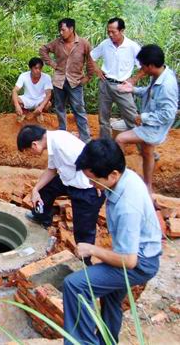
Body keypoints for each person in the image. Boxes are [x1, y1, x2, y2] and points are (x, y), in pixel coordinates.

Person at [63, 138, 161, 345]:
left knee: (75, 286)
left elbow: (129, 261)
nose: (90, 184)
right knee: (111, 297)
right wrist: (103, 186)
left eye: (93, 180)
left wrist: (92, 249)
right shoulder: (125, 178)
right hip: (142, 253)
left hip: (140, 262)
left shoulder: (127, 206)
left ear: (113, 175)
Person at [17, 125, 104, 265]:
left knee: (83, 229)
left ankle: (84, 263)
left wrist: (99, 180)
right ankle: (42, 217)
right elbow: (52, 170)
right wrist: (35, 190)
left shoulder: (61, 145)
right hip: (69, 180)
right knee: (46, 189)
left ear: (34, 144)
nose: (30, 154)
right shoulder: (53, 142)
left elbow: (92, 157)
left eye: (28, 151)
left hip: (86, 189)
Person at [115, 44, 178, 196]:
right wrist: (133, 89)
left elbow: (168, 114)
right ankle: (148, 187)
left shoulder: (167, 85)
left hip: (154, 127)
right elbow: (150, 93)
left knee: (120, 139)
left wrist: (142, 117)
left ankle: (119, 179)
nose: (142, 69)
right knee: (147, 152)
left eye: (143, 66)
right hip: (151, 123)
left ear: (150, 65)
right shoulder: (159, 75)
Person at [39, 18, 94, 143]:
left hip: (76, 81)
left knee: (79, 109)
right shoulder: (57, 43)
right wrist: (52, 64)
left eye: (63, 30)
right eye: (60, 30)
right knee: (59, 108)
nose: (61, 33)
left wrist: (88, 77)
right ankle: (63, 133)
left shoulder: (83, 44)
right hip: (59, 80)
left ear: (71, 29)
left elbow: (90, 61)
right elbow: (43, 50)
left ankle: (85, 139)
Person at [91, 17, 144, 138]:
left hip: (122, 86)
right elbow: (91, 56)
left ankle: (145, 148)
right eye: (108, 31)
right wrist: (97, 70)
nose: (110, 34)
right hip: (105, 84)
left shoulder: (132, 46)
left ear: (122, 30)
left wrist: (133, 79)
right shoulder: (105, 44)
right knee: (103, 119)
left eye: (113, 32)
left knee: (132, 118)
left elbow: (145, 66)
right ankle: (105, 147)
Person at [12, 57, 53, 123]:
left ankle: (39, 113)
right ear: (30, 68)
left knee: (48, 104)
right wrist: (17, 106)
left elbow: (48, 94)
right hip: (27, 99)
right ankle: (24, 112)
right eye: (36, 68)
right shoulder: (23, 76)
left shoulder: (46, 77)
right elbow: (14, 91)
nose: (38, 71)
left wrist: (41, 107)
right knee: (16, 99)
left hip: (40, 100)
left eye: (40, 68)